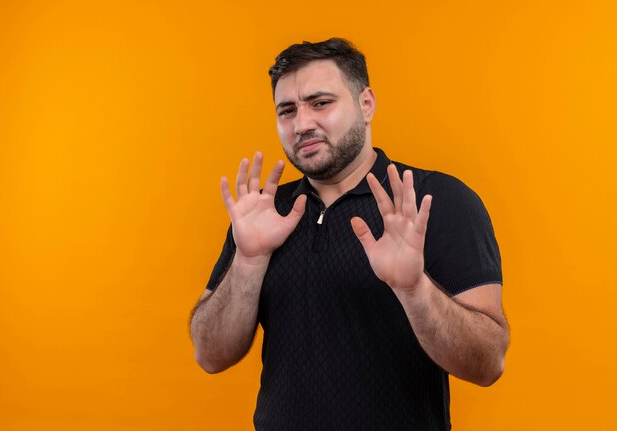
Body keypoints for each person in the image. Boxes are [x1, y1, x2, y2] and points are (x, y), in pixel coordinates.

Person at [189, 38, 509, 431]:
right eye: (287, 110)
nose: (302, 123)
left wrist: (414, 289)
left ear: (366, 104)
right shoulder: (263, 212)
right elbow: (209, 354)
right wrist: (249, 260)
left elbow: (488, 362)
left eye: (321, 103)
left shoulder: (435, 200)